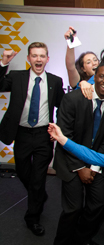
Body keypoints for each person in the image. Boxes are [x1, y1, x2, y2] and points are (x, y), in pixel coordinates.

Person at [0, 43, 65, 236]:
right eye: (34, 56)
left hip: (43, 135)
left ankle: (33, 218)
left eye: (42, 56)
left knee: (38, 178)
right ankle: (39, 195)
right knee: (22, 170)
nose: (38, 59)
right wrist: (4, 62)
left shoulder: (55, 80)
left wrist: (59, 130)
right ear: (29, 58)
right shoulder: (17, 77)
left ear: (47, 59)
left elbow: (63, 105)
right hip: (21, 133)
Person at [52, 63, 104, 245]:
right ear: (94, 77)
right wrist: (81, 167)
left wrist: (94, 167)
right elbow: (64, 136)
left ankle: (80, 239)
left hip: (95, 163)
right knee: (73, 208)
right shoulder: (73, 99)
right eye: (102, 76)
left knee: (98, 204)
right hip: (70, 162)